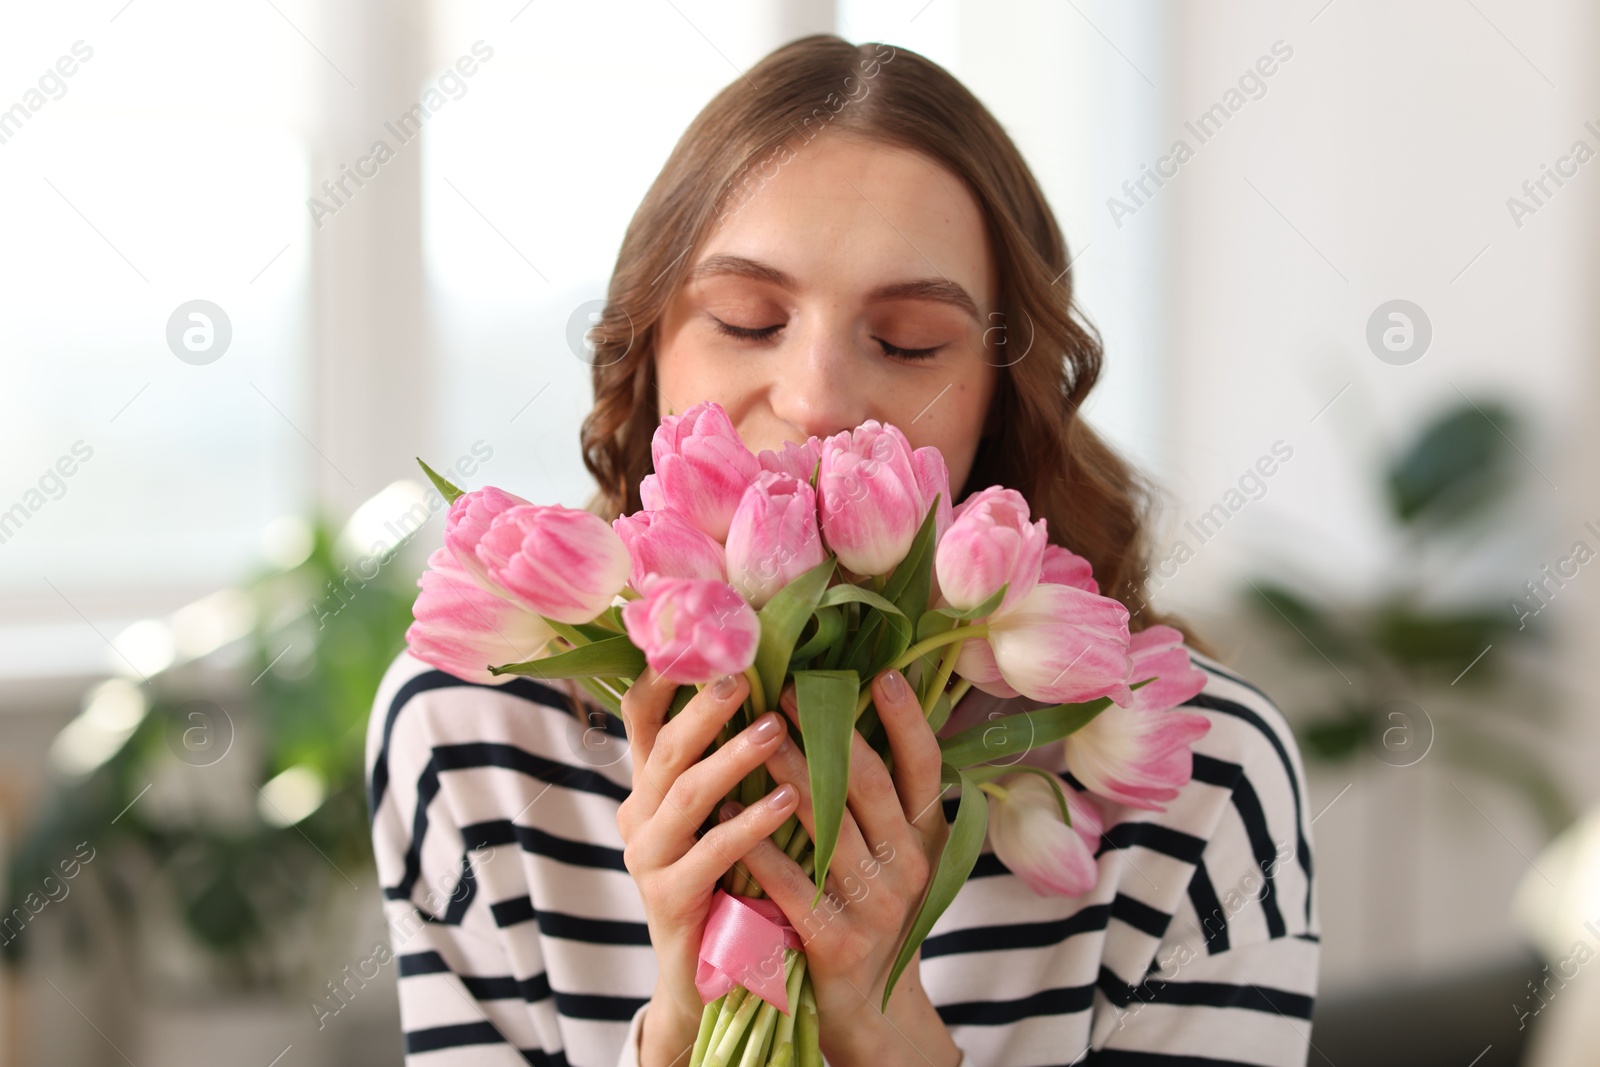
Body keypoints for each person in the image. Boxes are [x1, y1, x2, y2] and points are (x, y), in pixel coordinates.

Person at [366, 34, 1318, 1067]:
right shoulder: (472, 729)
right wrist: (678, 1029)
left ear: (1004, 388)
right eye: (744, 320)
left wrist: (887, 1033)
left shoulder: (1196, 774)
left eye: (908, 341)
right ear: (647, 356)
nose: (815, 401)